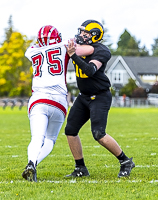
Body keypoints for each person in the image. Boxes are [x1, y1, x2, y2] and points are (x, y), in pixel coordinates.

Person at [22, 25, 94, 182]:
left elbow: (35, 48)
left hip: (39, 99)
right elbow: (88, 50)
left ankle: (31, 163)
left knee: (37, 138)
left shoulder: (32, 51)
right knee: (49, 140)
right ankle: (33, 165)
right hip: (59, 102)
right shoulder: (64, 46)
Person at [64, 20, 135, 178]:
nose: (81, 35)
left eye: (85, 33)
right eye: (81, 31)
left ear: (95, 35)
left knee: (99, 134)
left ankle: (125, 161)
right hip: (84, 96)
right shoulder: (80, 47)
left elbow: (89, 70)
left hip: (100, 95)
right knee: (70, 130)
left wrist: (73, 55)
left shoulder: (102, 51)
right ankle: (80, 168)